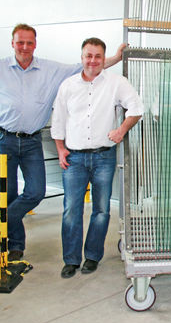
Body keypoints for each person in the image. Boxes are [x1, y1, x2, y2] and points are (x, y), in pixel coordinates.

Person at [0, 24, 125, 262]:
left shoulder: (49, 69)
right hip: (3, 138)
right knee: (8, 194)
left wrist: (117, 57)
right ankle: (14, 245)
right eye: (20, 42)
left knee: (35, 192)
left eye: (29, 42)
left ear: (35, 44)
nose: (24, 47)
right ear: (12, 43)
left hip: (32, 141)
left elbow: (87, 64)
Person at [51, 37, 143, 279]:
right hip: (74, 158)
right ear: (82, 58)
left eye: (97, 56)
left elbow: (136, 108)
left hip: (104, 157)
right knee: (71, 209)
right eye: (88, 56)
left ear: (104, 58)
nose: (93, 61)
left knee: (101, 210)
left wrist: (121, 130)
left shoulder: (116, 83)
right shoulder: (68, 86)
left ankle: (92, 256)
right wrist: (60, 149)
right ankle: (71, 260)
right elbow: (58, 120)